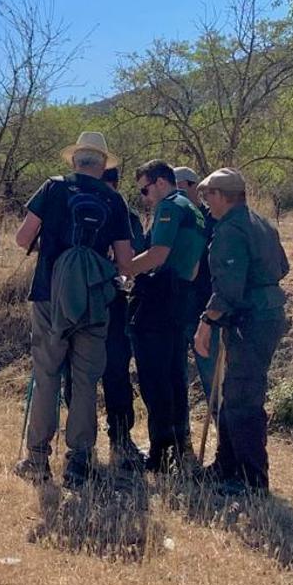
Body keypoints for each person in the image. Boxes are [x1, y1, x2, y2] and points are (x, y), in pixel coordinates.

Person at [13, 132, 135, 489]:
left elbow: (22, 239)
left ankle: (37, 458)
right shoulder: (114, 200)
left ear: (74, 161)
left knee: (47, 374)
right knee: (85, 380)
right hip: (93, 302)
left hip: (50, 294)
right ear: (101, 165)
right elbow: (126, 263)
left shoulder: (52, 189)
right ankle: (79, 461)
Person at [193, 168, 289, 495]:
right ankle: (226, 466)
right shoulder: (262, 223)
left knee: (243, 398)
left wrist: (206, 323)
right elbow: (283, 268)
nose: (206, 203)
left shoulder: (231, 230)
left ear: (222, 195)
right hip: (265, 314)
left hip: (252, 319)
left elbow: (229, 290)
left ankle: (251, 479)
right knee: (234, 393)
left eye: (208, 196)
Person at [117, 160, 206, 473]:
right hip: (182, 296)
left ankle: (159, 453)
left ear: (160, 182)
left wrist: (124, 269)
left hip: (158, 298)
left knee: (154, 378)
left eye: (145, 189)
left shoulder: (169, 207)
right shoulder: (195, 210)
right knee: (174, 376)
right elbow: (193, 266)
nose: (145, 197)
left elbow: (157, 254)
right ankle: (179, 446)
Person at [100, 166, 147, 468]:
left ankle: (120, 438)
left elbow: (135, 261)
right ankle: (83, 443)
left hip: (110, 302)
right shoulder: (124, 215)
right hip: (105, 303)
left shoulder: (124, 216)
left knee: (114, 371)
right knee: (92, 372)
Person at [174, 166, 218, 404]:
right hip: (175, 310)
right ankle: (180, 438)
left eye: (180, 187)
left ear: (194, 187)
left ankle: (225, 436)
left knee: (213, 377)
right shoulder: (169, 219)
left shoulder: (214, 221)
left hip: (204, 310)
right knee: (175, 378)